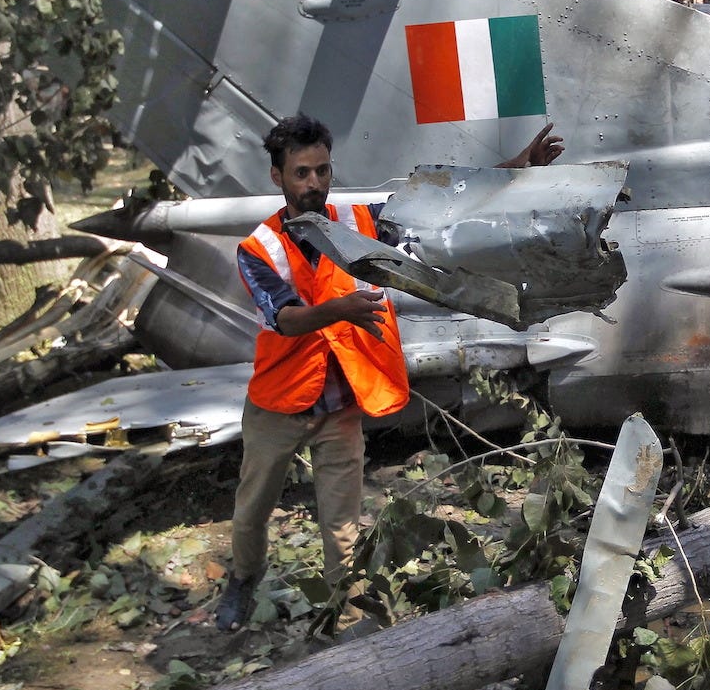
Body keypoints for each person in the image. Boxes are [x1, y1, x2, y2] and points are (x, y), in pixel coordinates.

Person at [216, 114, 564, 632]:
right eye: (301, 174)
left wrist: (517, 168)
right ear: (278, 178)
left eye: (322, 171)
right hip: (280, 404)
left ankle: (348, 623)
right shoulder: (259, 249)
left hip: (341, 405)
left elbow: (437, 204)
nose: (313, 183)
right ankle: (243, 578)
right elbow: (285, 320)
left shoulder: (357, 219)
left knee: (341, 528)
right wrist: (340, 311)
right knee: (251, 514)